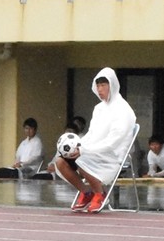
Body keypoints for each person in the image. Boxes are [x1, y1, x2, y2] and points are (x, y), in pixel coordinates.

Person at [54, 68, 138, 214]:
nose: (100, 89)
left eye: (103, 85)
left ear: (112, 85)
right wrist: (77, 146)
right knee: (61, 161)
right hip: (92, 151)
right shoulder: (98, 108)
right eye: (98, 86)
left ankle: (100, 194)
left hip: (112, 155)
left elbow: (113, 142)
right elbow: (91, 134)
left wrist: (84, 150)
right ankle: (86, 192)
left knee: (80, 158)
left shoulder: (123, 110)